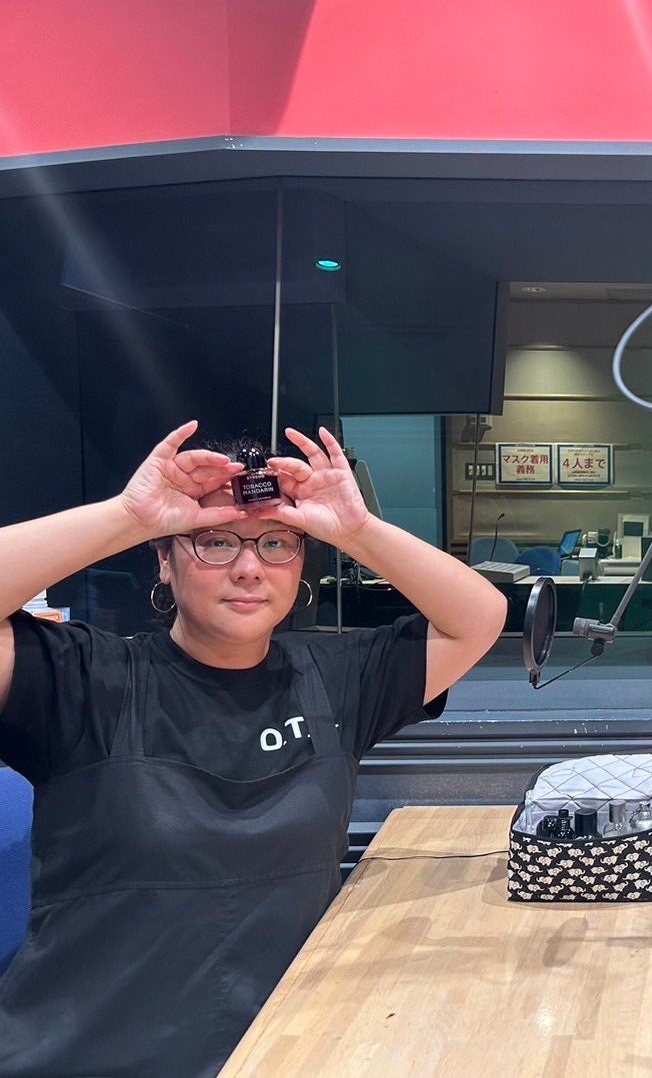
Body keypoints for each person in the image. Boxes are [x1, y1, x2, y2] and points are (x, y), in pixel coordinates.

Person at [0, 421, 508, 1076]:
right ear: (164, 560)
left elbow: (479, 618)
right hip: (92, 1057)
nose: (248, 568)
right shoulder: (84, 679)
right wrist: (128, 516)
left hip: (285, 1052)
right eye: (215, 541)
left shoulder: (337, 679)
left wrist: (357, 531)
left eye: (276, 543)